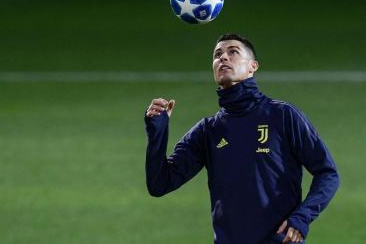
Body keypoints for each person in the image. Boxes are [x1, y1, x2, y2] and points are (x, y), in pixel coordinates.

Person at [144, 33, 340, 244]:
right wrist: (158, 134)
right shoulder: (207, 131)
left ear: (252, 66)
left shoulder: (282, 116)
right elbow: (159, 184)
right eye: (217, 55)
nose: (223, 58)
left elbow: (328, 173)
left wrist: (302, 218)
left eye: (233, 52)